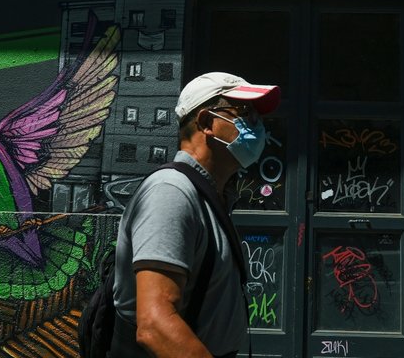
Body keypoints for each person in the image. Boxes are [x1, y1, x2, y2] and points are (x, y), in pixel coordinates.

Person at [111, 71, 281, 358]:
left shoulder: (208, 195)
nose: (258, 125)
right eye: (245, 113)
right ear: (206, 122)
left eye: (257, 116)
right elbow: (155, 325)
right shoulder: (171, 191)